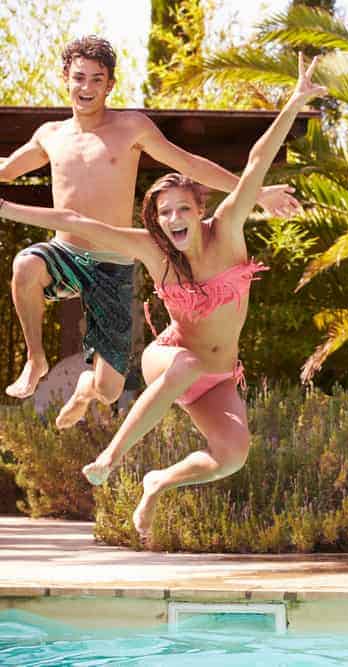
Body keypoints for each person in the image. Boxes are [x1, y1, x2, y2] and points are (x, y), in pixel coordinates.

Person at [0, 54, 326, 545]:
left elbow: (256, 162)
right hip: (171, 357)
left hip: (217, 373)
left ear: (201, 211)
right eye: (164, 212)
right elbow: (82, 225)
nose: (174, 219)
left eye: (182, 210)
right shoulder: (154, 250)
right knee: (182, 362)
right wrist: (6, 206)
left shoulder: (228, 232)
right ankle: (111, 456)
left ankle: (157, 482)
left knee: (232, 455)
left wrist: (295, 101)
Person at [0, 35, 300, 427]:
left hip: (113, 262)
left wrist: (257, 193)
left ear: (110, 85)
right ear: (65, 79)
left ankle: (88, 386)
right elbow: (5, 170)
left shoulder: (130, 127)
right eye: (79, 78)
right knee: (25, 265)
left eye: (96, 79)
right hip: (66, 253)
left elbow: (189, 164)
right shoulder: (50, 136)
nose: (86, 88)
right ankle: (36, 358)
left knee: (109, 390)